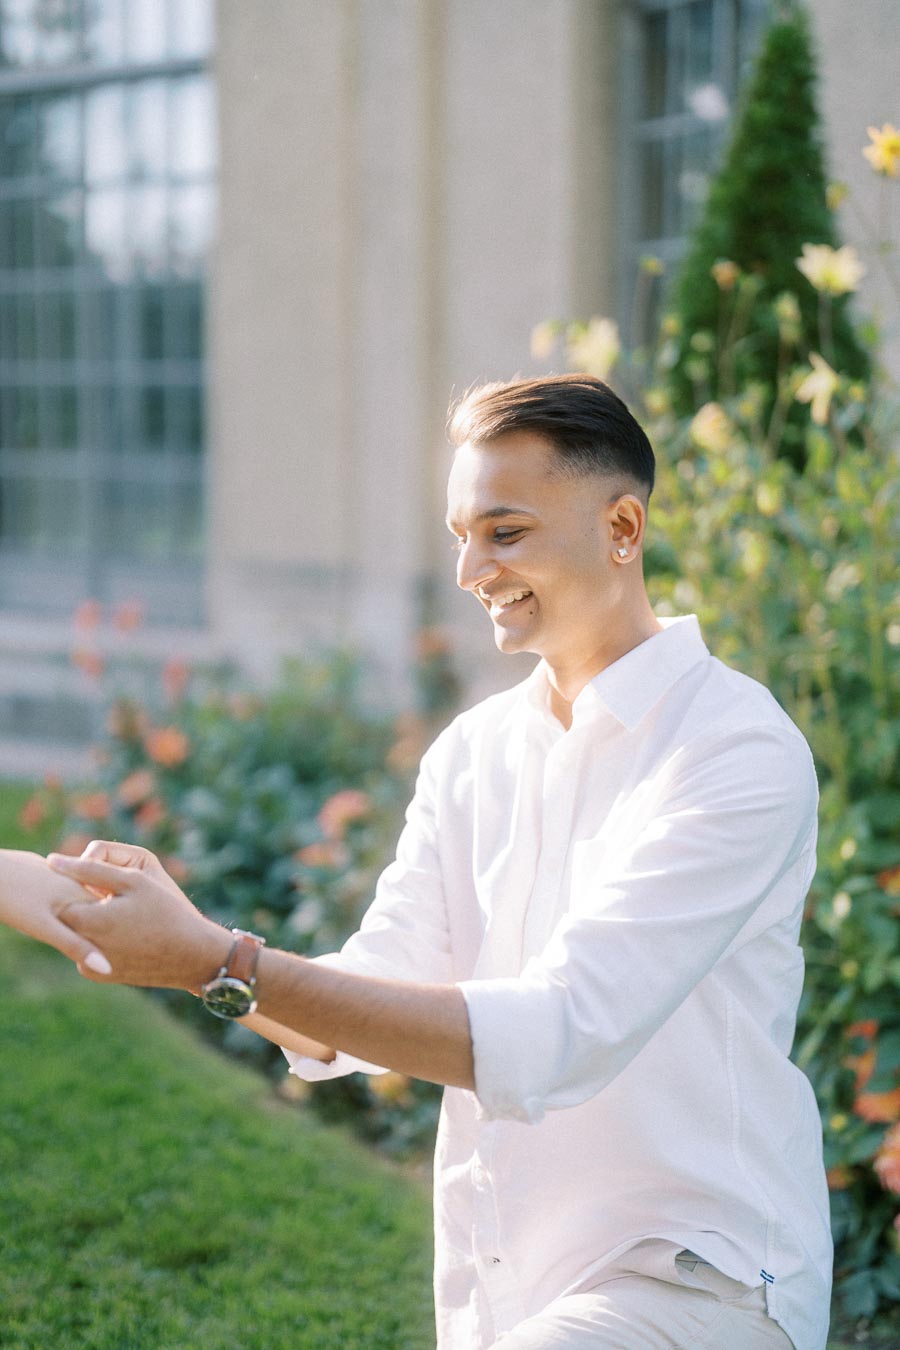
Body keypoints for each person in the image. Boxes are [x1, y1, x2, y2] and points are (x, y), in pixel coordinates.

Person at [42, 375, 831, 1349]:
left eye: (504, 532)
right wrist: (154, 932)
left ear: (623, 528)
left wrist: (217, 960)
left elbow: (564, 1031)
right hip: (507, 1292)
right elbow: (374, 990)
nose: (469, 569)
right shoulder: (474, 752)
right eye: (462, 533)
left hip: (697, 1279)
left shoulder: (735, 749)